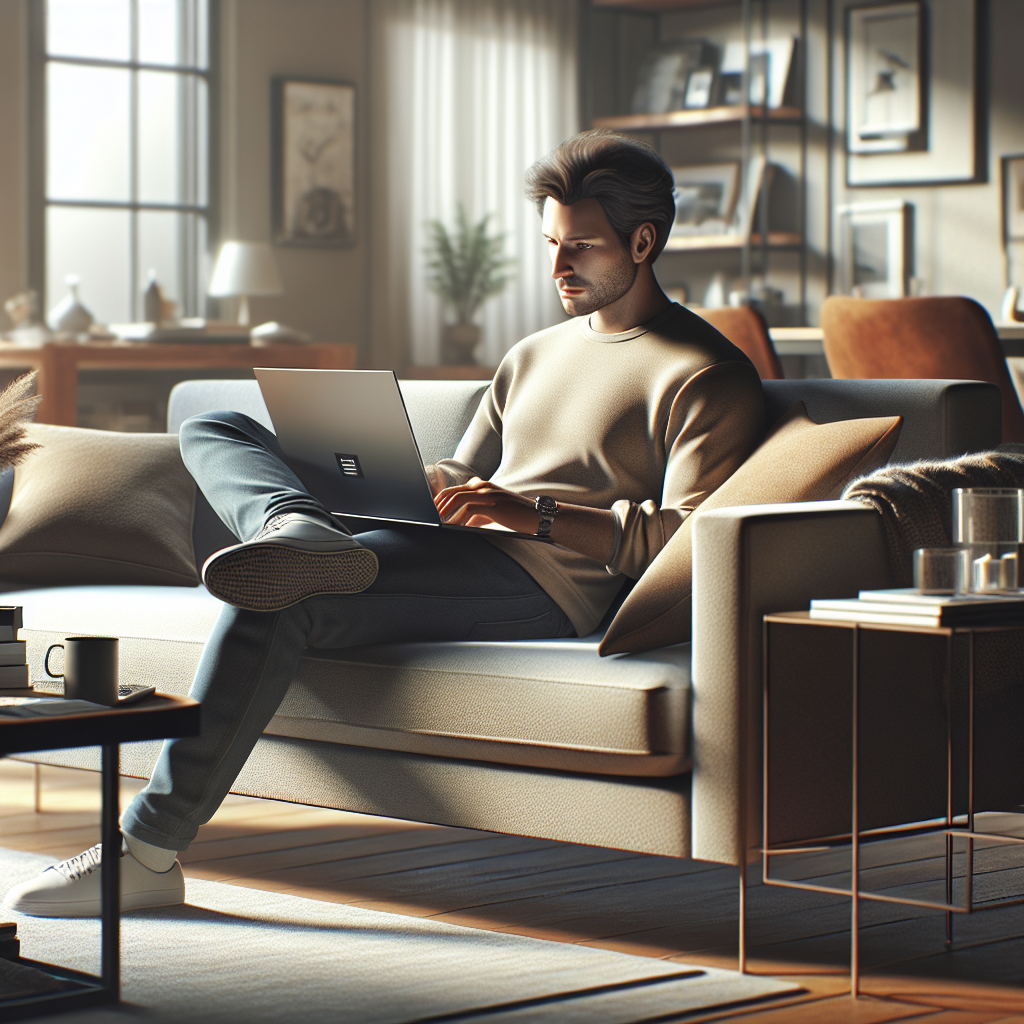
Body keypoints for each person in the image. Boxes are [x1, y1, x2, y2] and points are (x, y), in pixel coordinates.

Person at [5, 129, 765, 917]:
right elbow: (464, 476)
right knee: (218, 426)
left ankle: (147, 852)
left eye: (580, 248)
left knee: (272, 596)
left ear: (644, 241)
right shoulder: (535, 353)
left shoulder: (704, 374)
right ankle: (299, 526)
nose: (556, 269)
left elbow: (690, 539)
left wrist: (530, 514)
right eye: (550, 243)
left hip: (546, 581)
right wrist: (396, 478)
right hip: (453, 541)